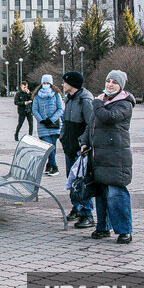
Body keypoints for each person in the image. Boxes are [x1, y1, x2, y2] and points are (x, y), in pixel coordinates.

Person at [80, 70, 134, 244]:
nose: (110, 84)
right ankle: (103, 227)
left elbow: (108, 117)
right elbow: (91, 124)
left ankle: (124, 231)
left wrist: (96, 103)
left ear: (121, 86)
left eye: (114, 82)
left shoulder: (124, 103)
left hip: (116, 158)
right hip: (99, 157)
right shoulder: (102, 101)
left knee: (116, 194)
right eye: (108, 81)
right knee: (101, 194)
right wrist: (84, 141)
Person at [59, 71, 95, 229]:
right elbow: (65, 121)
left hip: (80, 147)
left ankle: (87, 213)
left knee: (81, 180)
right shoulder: (70, 98)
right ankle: (77, 207)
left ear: (72, 84)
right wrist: (62, 136)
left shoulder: (85, 100)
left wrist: (84, 142)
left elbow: (91, 124)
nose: (62, 85)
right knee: (72, 178)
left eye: (64, 82)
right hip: (69, 145)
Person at [32, 74, 63, 176]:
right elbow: (35, 110)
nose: (45, 85)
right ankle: (54, 167)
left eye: (47, 83)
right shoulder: (37, 96)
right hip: (43, 126)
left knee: (52, 147)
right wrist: (41, 120)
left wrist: (52, 119)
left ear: (51, 84)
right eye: (44, 83)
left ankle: (49, 165)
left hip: (54, 125)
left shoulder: (56, 94)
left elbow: (60, 109)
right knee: (48, 146)